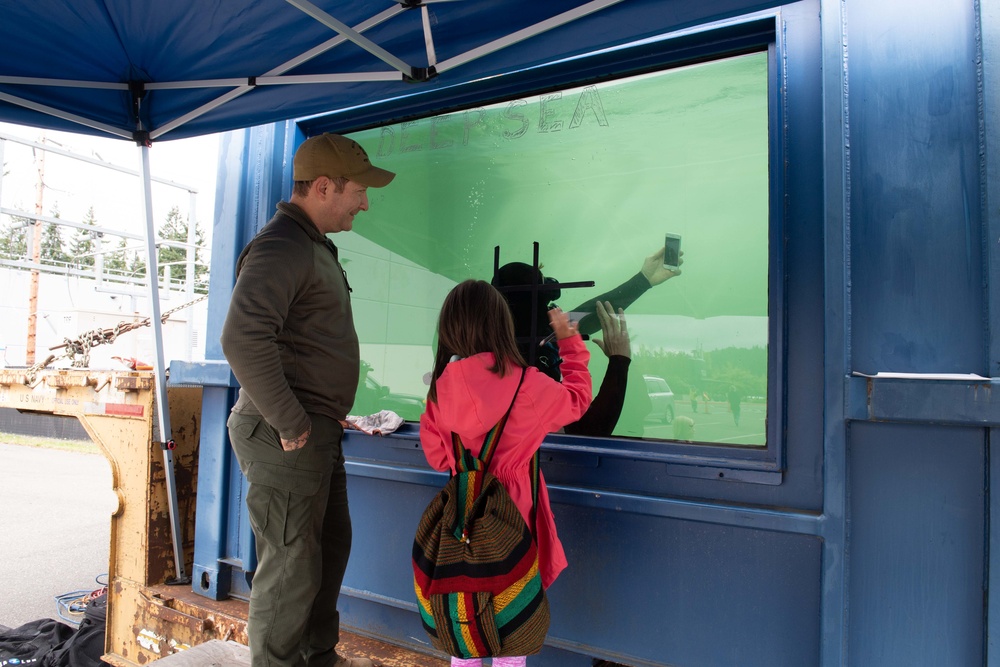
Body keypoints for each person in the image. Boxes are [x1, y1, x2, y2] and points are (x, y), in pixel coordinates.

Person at [220, 132, 395, 667]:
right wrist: (292, 421)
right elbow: (243, 336)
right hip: (286, 435)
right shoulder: (282, 245)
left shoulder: (309, 244)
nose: (365, 202)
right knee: (291, 566)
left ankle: (318, 657)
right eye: (358, 190)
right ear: (323, 186)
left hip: (317, 431)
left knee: (327, 550)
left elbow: (298, 342)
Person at [419, 280, 591, 667]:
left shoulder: (439, 389)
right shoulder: (529, 384)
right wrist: (569, 344)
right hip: (516, 524)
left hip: (462, 523)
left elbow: (434, 456)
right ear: (501, 325)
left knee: (465, 620)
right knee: (511, 630)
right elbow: (577, 401)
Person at [492, 246, 681, 436]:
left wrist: (642, 280)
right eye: (544, 299)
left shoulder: (487, 355)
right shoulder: (530, 373)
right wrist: (619, 360)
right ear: (529, 309)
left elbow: (589, 312)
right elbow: (590, 430)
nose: (552, 307)